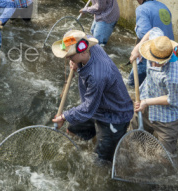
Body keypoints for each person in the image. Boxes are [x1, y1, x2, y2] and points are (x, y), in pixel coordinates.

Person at [51, 30, 134, 163]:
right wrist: (76, 63)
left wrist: (64, 116)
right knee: (72, 131)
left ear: (83, 51)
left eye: (71, 56)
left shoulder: (97, 76)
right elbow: (86, 35)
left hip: (114, 115)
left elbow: (88, 107)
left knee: (101, 162)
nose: (68, 59)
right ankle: (76, 155)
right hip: (97, 107)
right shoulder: (90, 43)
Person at [135, 35, 178, 155]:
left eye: (158, 62)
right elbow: (153, 30)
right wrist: (136, 49)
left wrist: (146, 102)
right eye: (151, 60)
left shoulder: (174, 76)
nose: (153, 65)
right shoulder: (157, 43)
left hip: (167, 119)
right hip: (146, 106)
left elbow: (172, 99)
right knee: (135, 140)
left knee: (164, 158)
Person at [123, 0, 173, 86]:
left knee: (132, 84)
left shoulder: (142, 9)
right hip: (169, 49)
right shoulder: (163, 6)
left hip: (153, 50)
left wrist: (136, 29)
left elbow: (144, 33)